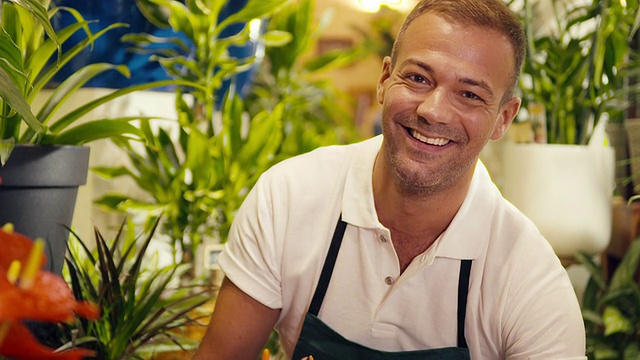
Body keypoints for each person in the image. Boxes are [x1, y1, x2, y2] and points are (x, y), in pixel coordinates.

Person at [193, 0, 587, 358]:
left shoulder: (530, 281)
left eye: (469, 95)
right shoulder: (290, 198)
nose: (434, 111)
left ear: (503, 117)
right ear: (385, 78)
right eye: (418, 78)